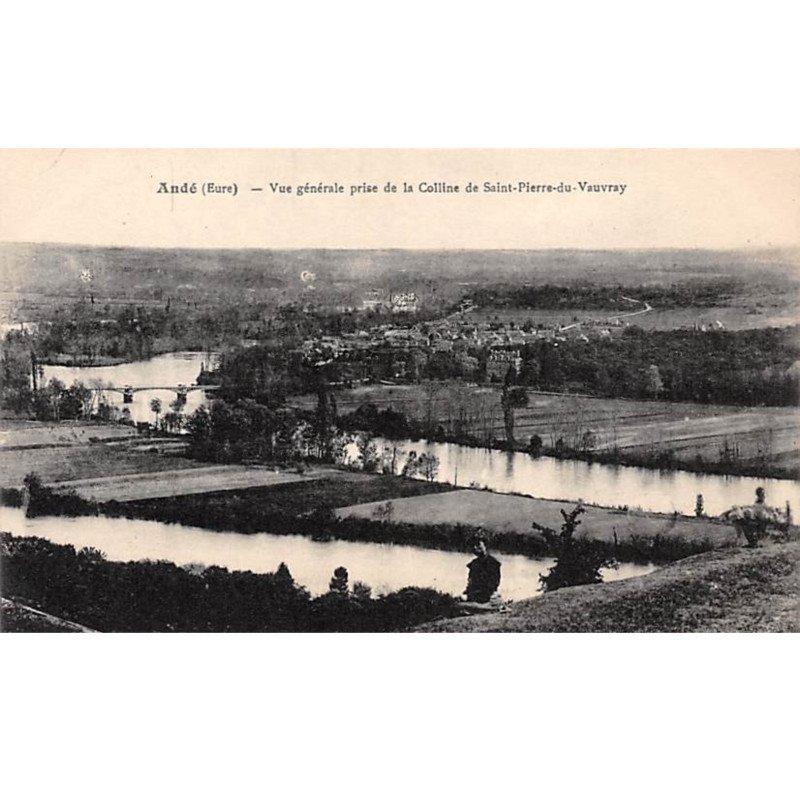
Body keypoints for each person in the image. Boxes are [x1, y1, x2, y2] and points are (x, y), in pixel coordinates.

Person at [464, 537, 501, 603]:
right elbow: (470, 582)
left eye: (478, 545)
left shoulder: (493, 563)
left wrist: (474, 594)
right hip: (474, 594)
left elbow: (493, 584)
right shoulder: (474, 563)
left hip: (486, 595)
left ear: (485, 546)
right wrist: (467, 592)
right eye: (474, 545)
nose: (475, 548)